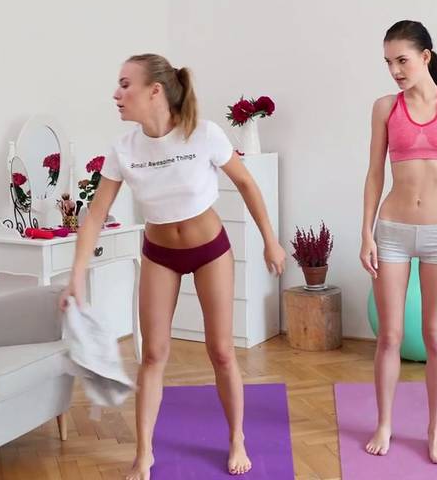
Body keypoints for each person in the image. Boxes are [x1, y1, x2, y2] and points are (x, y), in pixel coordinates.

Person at [60, 53, 286, 479]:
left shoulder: (203, 134)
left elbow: (246, 183)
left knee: (221, 351)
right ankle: (143, 454)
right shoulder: (123, 149)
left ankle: (236, 438)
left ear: (155, 90)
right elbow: (94, 216)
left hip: (210, 251)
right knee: (153, 354)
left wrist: (270, 242)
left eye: (125, 84)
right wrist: (76, 276)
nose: (116, 94)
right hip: (159, 255)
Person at [359, 20, 437, 464]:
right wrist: (366, 232)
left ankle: (436, 430)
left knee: (436, 336)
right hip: (392, 229)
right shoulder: (384, 108)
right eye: (388, 62)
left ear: (425, 57)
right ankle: (384, 423)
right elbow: (374, 173)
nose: (395, 70)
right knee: (390, 335)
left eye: (402, 60)